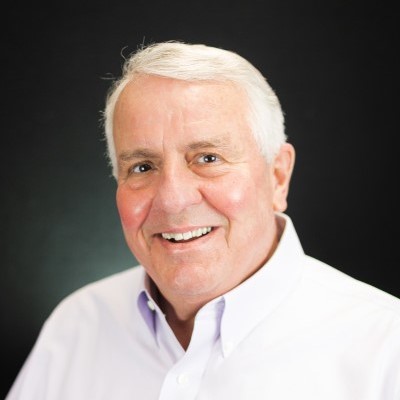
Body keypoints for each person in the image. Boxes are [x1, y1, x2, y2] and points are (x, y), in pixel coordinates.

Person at [6, 41, 400, 400]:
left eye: (208, 158)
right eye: (142, 166)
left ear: (278, 176)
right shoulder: (77, 324)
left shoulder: (385, 348)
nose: (173, 200)